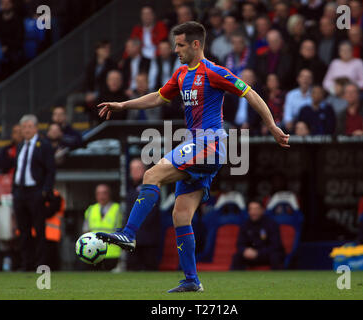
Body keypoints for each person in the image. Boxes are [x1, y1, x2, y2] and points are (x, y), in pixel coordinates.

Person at [96, 21, 289, 293]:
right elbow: (158, 97)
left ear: (196, 44)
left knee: (151, 174)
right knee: (181, 214)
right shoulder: (181, 74)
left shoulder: (214, 72)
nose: (176, 50)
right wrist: (123, 105)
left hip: (209, 144)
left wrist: (272, 126)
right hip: (199, 147)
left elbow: (251, 93)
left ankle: (128, 234)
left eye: (181, 45)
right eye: (175, 44)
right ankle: (191, 280)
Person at [12, 114, 55, 271]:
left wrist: (45, 191)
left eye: (30, 127)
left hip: (36, 191)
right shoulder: (20, 146)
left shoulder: (43, 145)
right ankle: (26, 263)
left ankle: (41, 264)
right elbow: (17, 169)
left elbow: (51, 170)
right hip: (20, 192)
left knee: (39, 229)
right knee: (23, 230)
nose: (27, 130)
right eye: (24, 127)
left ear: (36, 128)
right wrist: (14, 190)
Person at [65, 40, 117, 123]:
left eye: (108, 48)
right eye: (104, 48)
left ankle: (95, 125)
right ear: (97, 50)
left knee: (99, 104)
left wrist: (96, 94)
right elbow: (86, 81)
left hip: (103, 95)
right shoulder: (91, 64)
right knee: (71, 99)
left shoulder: (112, 65)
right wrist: (87, 93)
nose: (107, 50)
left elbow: (110, 85)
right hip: (89, 94)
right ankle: (68, 125)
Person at [123, 158, 161, 271]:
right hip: (132, 239)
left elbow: (151, 213)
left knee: (150, 268)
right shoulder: (131, 190)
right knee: (132, 268)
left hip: (148, 238)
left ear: (145, 170)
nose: (134, 171)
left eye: (138, 168)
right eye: (132, 169)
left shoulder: (151, 187)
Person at [230, 200, 284, 270]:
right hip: (250, 255)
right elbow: (239, 244)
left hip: (266, 255)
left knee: (276, 256)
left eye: (256, 209)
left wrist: (258, 252)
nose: (253, 212)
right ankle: (235, 280)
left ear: (262, 210)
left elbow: (276, 245)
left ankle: (277, 280)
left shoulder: (271, 224)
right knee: (237, 257)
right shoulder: (245, 224)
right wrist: (245, 250)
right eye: (251, 209)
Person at [82, 184, 122, 271]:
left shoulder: (118, 209)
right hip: (94, 252)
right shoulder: (91, 209)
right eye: (99, 193)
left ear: (109, 194)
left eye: (104, 193)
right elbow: (85, 232)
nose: (101, 196)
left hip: (112, 253)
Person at [282, 69, 313, 133]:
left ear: (311, 80)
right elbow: (288, 114)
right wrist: (289, 121)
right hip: (293, 124)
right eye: (303, 77)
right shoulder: (291, 94)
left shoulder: (315, 94)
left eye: (308, 77)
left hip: (310, 125)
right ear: (298, 79)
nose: (305, 79)